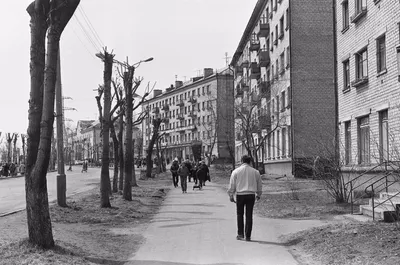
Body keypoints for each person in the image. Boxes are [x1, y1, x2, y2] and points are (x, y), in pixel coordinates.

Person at [227, 155, 262, 242]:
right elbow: (259, 184)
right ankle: (248, 235)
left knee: (240, 214)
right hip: (251, 195)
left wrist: (231, 194)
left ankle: (240, 234)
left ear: (242, 161)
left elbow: (232, 184)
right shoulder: (255, 172)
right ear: (250, 161)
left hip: (240, 195)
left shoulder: (236, 171)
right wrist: (258, 194)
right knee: (249, 215)